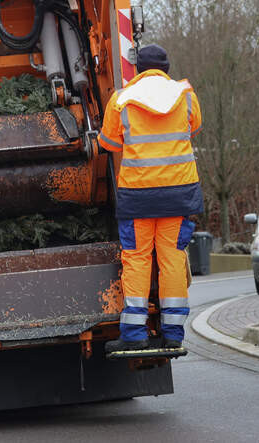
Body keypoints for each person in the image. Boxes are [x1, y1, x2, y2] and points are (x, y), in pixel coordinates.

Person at [99, 44, 202, 352]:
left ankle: (134, 335)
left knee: (137, 260)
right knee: (172, 259)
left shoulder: (121, 99)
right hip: (179, 193)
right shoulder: (186, 96)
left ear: (138, 70)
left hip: (138, 196)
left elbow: (109, 143)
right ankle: (173, 334)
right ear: (166, 68)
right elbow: (193, 128)